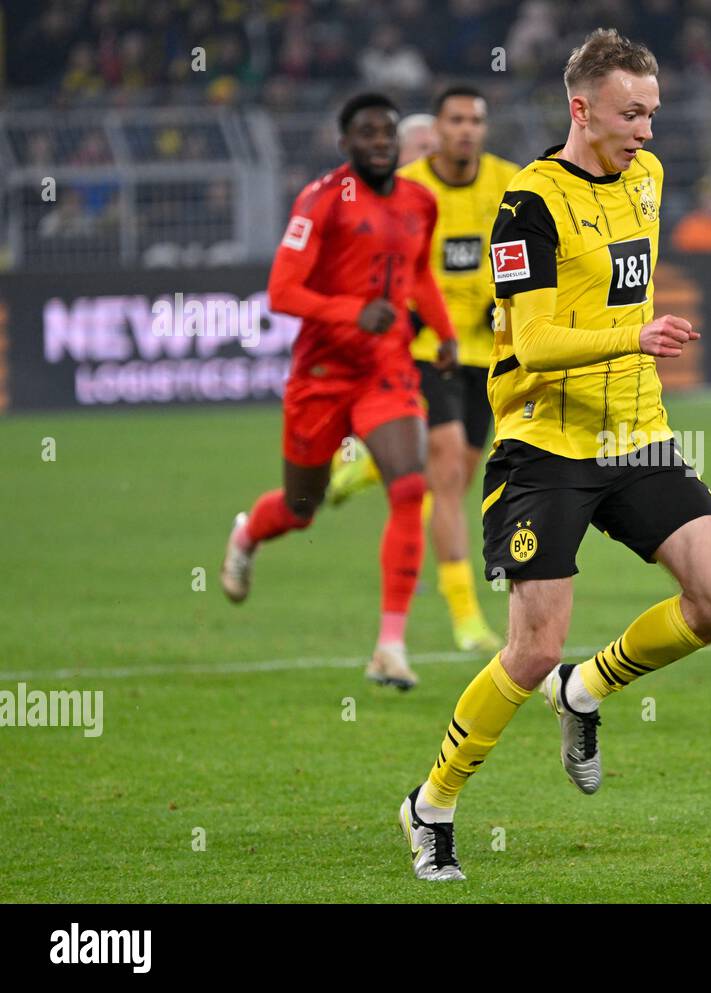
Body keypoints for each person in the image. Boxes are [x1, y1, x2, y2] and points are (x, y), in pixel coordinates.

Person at [398, 28, 711, 881]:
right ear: (580, 107)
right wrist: (635, 335)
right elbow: (533, 337)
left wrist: (634, 351)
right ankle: (432, 803)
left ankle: (587, 687)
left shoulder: (651, 178)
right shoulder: (528, 205)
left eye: (655, 113)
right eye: (633, 113)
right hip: (545, 446)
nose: (648, 131)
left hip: (637, 436)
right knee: (528, 646)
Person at [219, 93, 457, 691]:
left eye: (388, 132)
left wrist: (446, 332)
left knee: (409, 486)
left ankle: (390, 646)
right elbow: (281, 291)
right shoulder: (322, 200)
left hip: (387, 368)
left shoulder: (419, 202)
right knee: (302, 509)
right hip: (321, 376)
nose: (380, 141)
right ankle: (248, 534)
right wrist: (353, 312)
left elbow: (420, 275)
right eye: (367, 133)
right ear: (345, 142)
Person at [328, 88, 520, 652]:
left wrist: (506, 297)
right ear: (437, 129)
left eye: (476, 120)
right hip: (426, 352)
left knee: (454, 479)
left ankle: (370, 467)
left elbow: (527, 250)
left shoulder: (510, 181)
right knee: (446, 466)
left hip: (485, 354)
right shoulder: (411, 190)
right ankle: (465, 617)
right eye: (456, 120)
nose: (466, 130)